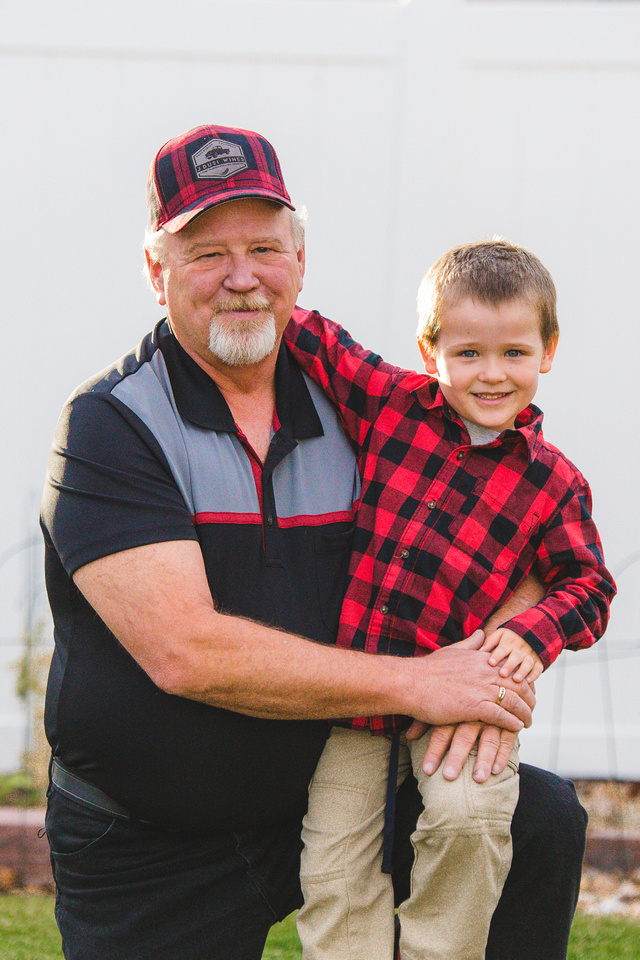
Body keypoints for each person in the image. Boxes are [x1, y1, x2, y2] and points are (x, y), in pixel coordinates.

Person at [40, 124, 583, 960]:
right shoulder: (111, 427)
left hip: (340, 783)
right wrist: (425, 682)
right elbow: (187, 652)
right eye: (207, 253)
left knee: (537, 818)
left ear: (300, 259)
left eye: (265, 246)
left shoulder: (375, 412)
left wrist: (500, 645)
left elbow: (515, 520)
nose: (243, 277)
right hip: (152, 845)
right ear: (156, 272)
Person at [283, 239, 615, 960]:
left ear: (548, 350)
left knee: (469, 819)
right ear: (429, 350)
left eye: (514, 354)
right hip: (358, 704)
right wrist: (260, 275)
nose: (491, 375)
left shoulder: (555, 482)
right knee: (336, 867)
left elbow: (589, 586)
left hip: (459, 700)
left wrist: (532, 632)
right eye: (466, 353)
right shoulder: (392, 404)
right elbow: (315, 338)